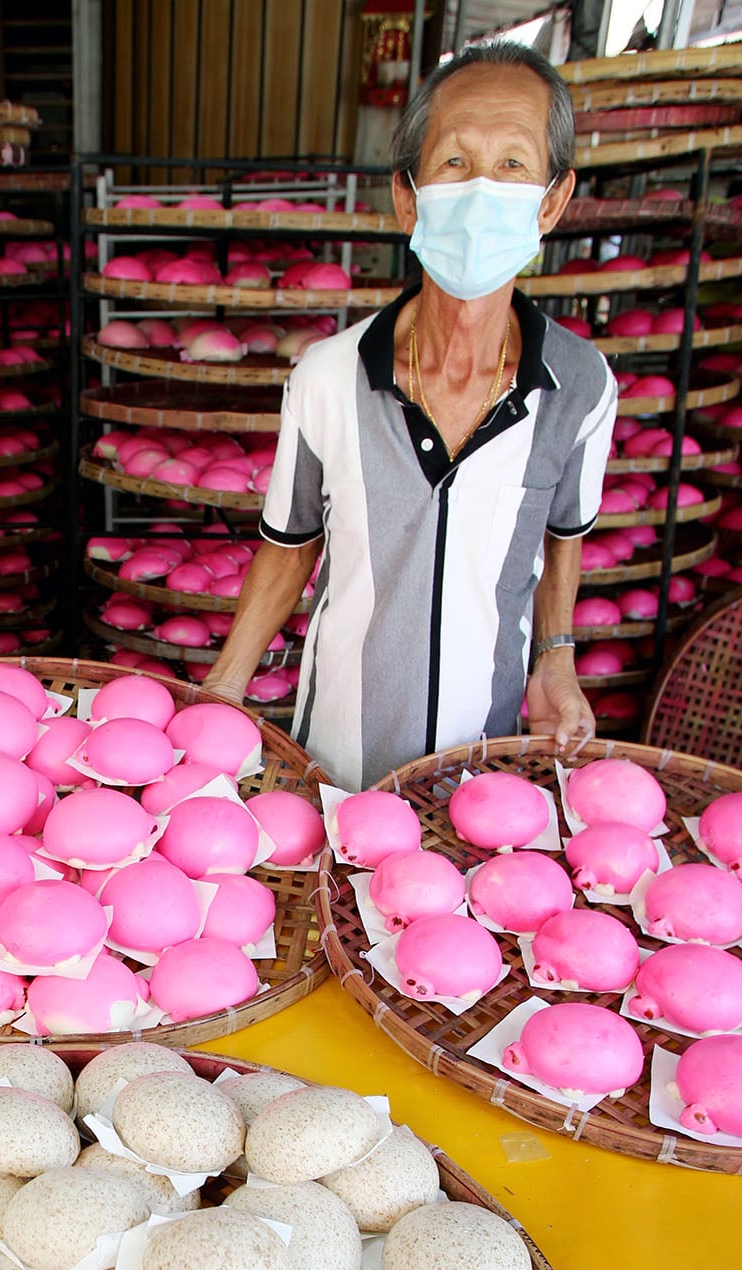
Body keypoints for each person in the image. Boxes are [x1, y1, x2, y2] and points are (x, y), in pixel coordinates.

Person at [205, 40, 616, 791]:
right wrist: (223, 690)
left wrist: (555, 658)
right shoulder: (326, 377)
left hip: (482, 773)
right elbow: (289, 546)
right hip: (333, 764)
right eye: (454, 161)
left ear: (552, 202)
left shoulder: (582, 387)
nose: (482, 190)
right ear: (407, 196)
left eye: (513, 164)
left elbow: (563, 534)